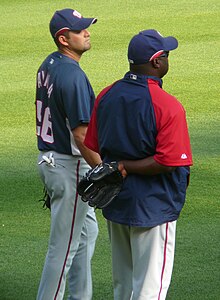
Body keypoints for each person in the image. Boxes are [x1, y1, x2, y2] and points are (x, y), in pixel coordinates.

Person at [84, 29, 193, 300]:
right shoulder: (167, 105)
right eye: (166, 55)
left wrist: (118, 165)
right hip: (154, 205)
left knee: (124, 286)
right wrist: (127, 165)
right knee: (150, 290)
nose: (168, 60)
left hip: (116, 202)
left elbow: (93, 144)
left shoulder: (106, 95)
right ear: (157, 62)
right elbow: (168, 162)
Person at [35, 8, 101, 300]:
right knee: (62, 251)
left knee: (87, 235)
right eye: (80, 30)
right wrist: (103, 171)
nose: (87, 32)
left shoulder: (49, 64)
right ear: (64, 39)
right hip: (69, 165)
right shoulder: (72, 76)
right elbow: (81, 134)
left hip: (53, 160)